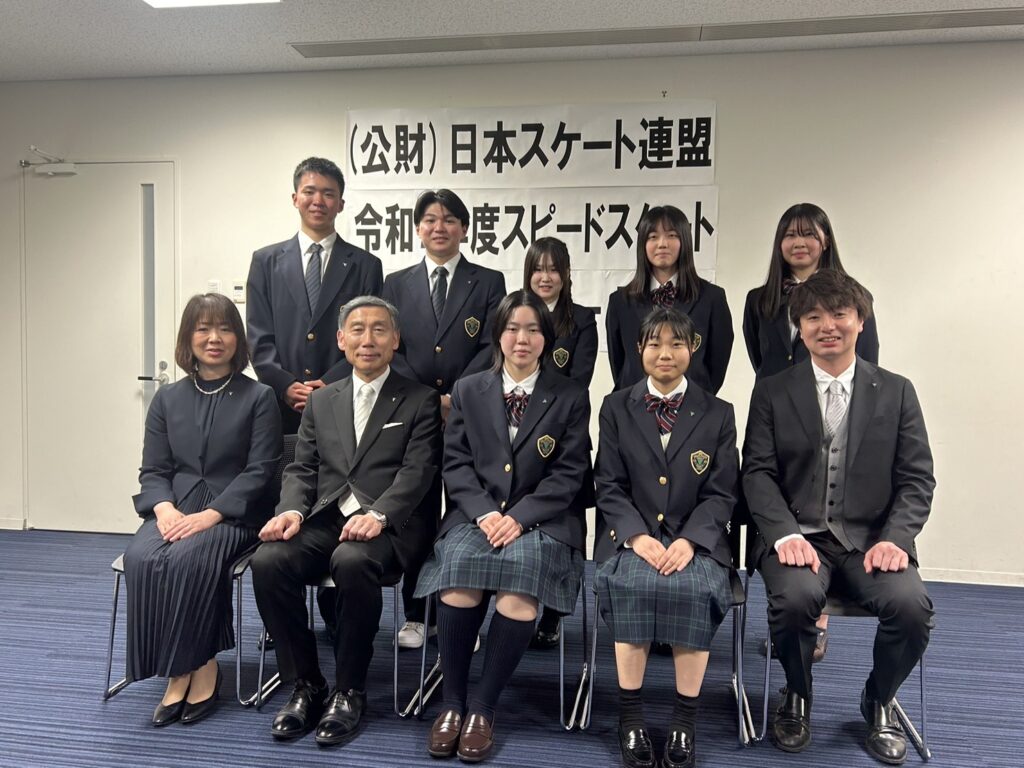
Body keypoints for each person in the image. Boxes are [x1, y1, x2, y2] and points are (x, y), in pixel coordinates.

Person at [742, 270, 935, 765]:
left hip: (871, 542)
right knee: (794, 601)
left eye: (839, 314)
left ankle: (879, 699)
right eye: (813, 317)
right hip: (797, 537)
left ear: (860, 321)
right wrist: (783, 534)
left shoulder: (897, 391)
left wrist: (895, 538)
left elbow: (917, 479)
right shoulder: (772, 391)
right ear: (799, 328)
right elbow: (757, 473)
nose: (827, 326)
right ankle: (797, 693)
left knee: (912, 608)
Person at [250, 296, 441, 746]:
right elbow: (302, 468)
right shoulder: (322, 400)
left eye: (379, 329)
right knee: (268, 560)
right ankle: (307, 683)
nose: (367, 339)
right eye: (357, 329)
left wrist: (379, 514)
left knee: (352, 561)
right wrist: (291, 511)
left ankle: (349, 689)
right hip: (329, 515)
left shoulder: (420, 400)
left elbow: (418, 472)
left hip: (391, 524)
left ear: (395, 340)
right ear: (341, 339)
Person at [417, 291, 590, 763]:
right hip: (476, 515)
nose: (522, 338)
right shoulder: (469, 388)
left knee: (520, 586)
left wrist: (519, 517)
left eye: (533, 329)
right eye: (512, 328)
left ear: (546, 339)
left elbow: (570, 474)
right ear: (498, 335)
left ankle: (482, 708)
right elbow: (455, 463)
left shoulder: (570, 394)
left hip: (543, 520)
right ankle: (452, 703)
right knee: (458, 579)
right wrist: (484, 512)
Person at [125, 293, 282, 727]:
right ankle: (176, 669)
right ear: (188, 338)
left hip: (235, 512)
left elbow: (261, 470)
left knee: (190, 559)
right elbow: (154, 469)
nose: (215, 338)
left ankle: (201, 664)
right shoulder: (167, 398)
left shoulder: (260, 396)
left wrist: (213, 514)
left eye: (225, 328)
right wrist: (163, 509)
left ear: (238, 338)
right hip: (176, 508)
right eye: (203, 329)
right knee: (141, 557)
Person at [594, 307, 737, 768]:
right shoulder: (616, 406)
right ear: (639, 349)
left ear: (692, 349)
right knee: (632, 585)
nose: (665, 353)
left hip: (695, 540)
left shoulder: (718, 412)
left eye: (677, 343)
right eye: (654, 343)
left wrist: (692, 540)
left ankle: (684, 721)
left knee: (694, 590)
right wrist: (635, 536)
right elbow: (608, 484)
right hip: (632, 536)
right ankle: (631, 718)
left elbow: (721, 492)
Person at [742, 202, 881, 661]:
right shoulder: (759, 299)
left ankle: (814, 622)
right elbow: (761, 358)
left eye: (808, 234)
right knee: (770, 500)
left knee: (820, 506)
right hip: (774, 413)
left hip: (831, 414)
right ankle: (787, 612)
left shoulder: (853, 296)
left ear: (825, 240)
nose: (798, 243)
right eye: (789, 234)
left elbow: (867, 363)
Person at [382, 188, 506, 649]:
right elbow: (390, 344)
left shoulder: (488, 281)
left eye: (450, 219)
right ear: (417, 229)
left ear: (464, 229)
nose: (440, 227)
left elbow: (492, 344)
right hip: (411, 415)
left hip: (468, 413)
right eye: (431, 219)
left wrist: (457, 395)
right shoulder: (396, 282)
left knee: (462, 513)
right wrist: (425, 398)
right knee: (415, 513)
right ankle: (417, 613)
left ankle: (460, 617)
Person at [247, 156, 383, 434]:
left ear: (341, 204)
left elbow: (370, 336)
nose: (318, 201)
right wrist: (284, 384)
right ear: (295, 198)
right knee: (284, 461)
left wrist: (332, 381)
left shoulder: (366, 265)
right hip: (279, 402)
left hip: (345, 396)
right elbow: (258, 335)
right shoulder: (265, 261)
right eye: (309, 191)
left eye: (328, 193)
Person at [522, 236, 598, 649]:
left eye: (554, 269)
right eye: (538, 268)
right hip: (519, 439)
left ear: (566, 274)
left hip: (565, 434)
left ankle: (554, 612)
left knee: (567, 519)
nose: (546, 277)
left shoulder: (582, 319)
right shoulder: (515, 315)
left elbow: (578, 381)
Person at [606, 205, 732, 395]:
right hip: (634, 405)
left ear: (684, 241)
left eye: (671, 235)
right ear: (642, 244)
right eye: (653, 237)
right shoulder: (620, 302)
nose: (662, 244)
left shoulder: (712, 298)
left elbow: (717, 364)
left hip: (693, 404)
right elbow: (619, 364)